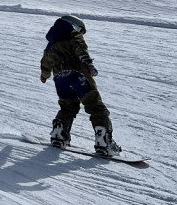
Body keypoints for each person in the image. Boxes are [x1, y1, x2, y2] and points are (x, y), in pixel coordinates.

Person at [39, 15, 121, 156]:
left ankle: (60, 133)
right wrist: (88, 63)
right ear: (74, 25)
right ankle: (103, 141)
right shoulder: (73, 34)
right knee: (94, 106)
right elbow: (80, 48)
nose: (81, 33)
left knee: (67, 106)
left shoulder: (52, 43)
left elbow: (46, 61)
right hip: (78, 74)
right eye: (81, 31)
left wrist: (45, 75)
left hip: (60, 78)